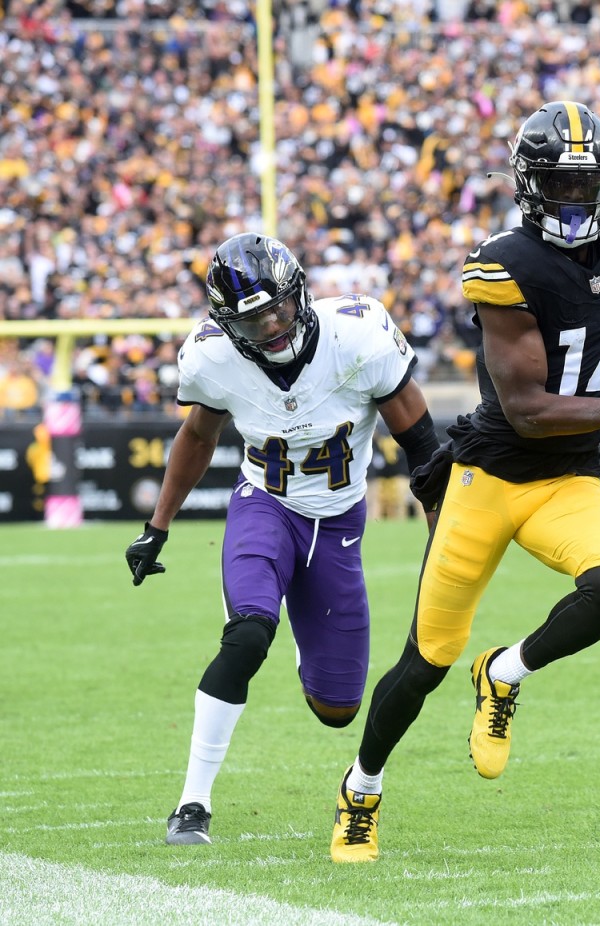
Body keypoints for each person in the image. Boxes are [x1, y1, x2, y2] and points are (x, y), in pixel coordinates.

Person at [329, 100, 600, 863]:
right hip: (490, 476)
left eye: (590, 184)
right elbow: (524, 411)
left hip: (571, 477)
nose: (578, 200)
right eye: (562, 184)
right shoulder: (504, 264)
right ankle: (361, 789)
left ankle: (506, 671)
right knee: (423, 663)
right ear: (529, 185)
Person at [124, 232, 439, 846]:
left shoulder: (359, 336)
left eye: (276, 307)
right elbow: (196, 437)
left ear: (299, 291)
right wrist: (156, 527)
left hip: (340, 525)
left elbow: (425, 449)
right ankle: (192, 804)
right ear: (226, 323)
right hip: (264, 508)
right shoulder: (213, 359)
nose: (270, 325)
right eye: (251, 318)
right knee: (246, 635)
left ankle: (302, 628)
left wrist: (445, 541)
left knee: (337, 710)